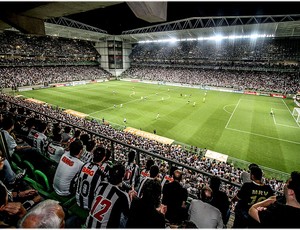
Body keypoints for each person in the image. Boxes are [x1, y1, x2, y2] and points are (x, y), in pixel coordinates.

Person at [85, 163, 131, 228]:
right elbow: (128, 214)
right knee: (124, 218)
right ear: (123, 177)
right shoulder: (123, 195)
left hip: (88, 225)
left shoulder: (101, 185)